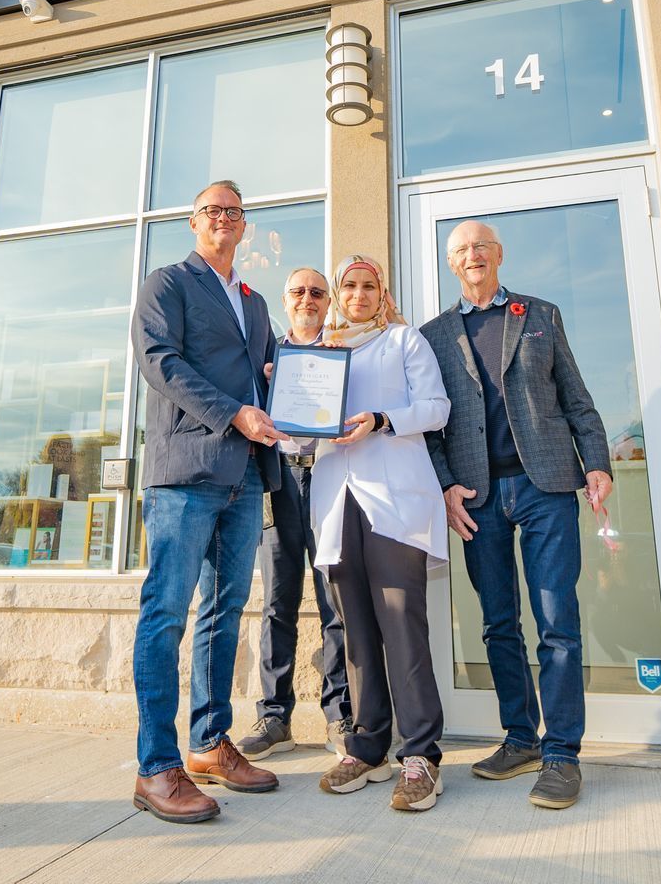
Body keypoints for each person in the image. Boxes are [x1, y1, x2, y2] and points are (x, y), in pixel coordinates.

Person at [419, 220, 611, 812]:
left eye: (481, 246)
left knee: (556, 620)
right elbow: (430, 425)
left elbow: (577, 399)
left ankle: (562, 755)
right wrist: (446, 486)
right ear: (451, 264)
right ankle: (521, 738)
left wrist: (597, 462)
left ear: (498, 255)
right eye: (461, 249)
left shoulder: (541, 315)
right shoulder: (433, 336)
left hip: (545, 484)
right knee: (499, 622)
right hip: (478, 495)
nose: (472, 255)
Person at [129, 180, 287, 825]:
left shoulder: (254, 303)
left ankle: (209, 743)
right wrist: (235, 412)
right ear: (194, 223)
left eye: (234, 212)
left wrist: (288, 386)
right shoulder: (168, 283)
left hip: (245, 474)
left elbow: (268, 375)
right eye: (212, 210)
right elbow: (158, 360)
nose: (224, 218)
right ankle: (155, 767)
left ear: (244, 226)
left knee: (224, 610)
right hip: (186, 470)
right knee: (166, 612)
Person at [309, 255, 451, 813]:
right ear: (339, 294)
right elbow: (297, 437)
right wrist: (289, 405)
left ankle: (421, 756)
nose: (360, 294)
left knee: (401, 625)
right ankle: (367, 747)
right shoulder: (320, 353)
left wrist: (382, 419)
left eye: (370, 286)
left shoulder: (404, 341)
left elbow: (436, 407)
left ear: (382, 294)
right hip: (336, 501)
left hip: (393, 502)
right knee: (356, 631)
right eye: (350, 285)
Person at [236, 268, 356, 761]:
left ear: (329, 303)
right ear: (285, 301)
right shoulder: (265, 357)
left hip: (328, 479)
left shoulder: (345, 354)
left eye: (317, 293)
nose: (308, 299)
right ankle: (274, 717)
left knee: (335, 602)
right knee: (277, 602)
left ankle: (340, 714)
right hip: (280, 481)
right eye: (299, 292)